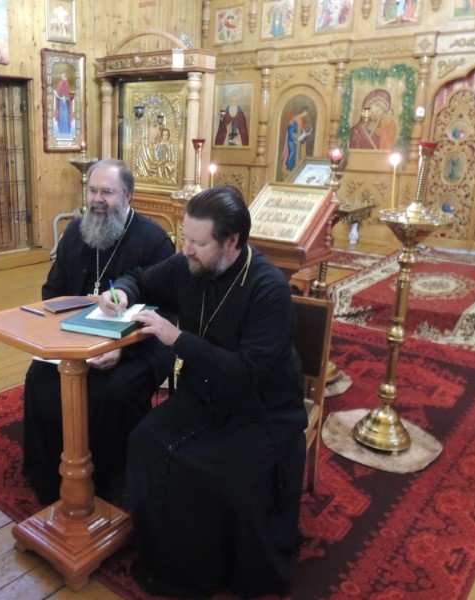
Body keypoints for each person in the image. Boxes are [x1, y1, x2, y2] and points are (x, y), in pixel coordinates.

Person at [98, 185, 307, 598]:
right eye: (185, 238)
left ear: (232, 241)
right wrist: (120, 293)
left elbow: (247, 373)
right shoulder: (189, 265)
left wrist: (177, 339)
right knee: (144, 440)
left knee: (215, 473)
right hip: (202, 394)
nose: (186, 250)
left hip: (260, 409)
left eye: (198, 242)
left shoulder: (268, 289)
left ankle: (211, 567)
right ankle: (161, 553)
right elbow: (140, 278)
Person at [21, 158, 175, 505]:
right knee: (39, 378)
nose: (97, 199)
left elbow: (167, 311)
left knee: (111, 392)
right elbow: (52, 292)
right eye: (92, 190)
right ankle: (48, 476)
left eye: (107, 192)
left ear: (128, 196)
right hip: (76, 341)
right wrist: (62, 333)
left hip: (138, 345)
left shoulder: (154, 241)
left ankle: (110, 482)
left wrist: (122, 349)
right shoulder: (75, 233)